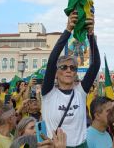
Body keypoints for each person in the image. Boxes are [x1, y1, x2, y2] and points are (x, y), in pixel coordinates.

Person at [41, 12, 100, 147]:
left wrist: (90, 34)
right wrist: (68, 30)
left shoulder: (80, 92)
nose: (68, 70)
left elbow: (95, 64)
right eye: (63, 67)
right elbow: (52, 61)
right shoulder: (48, 93)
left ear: (75, 73)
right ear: (56, 73)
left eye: (73, 68)